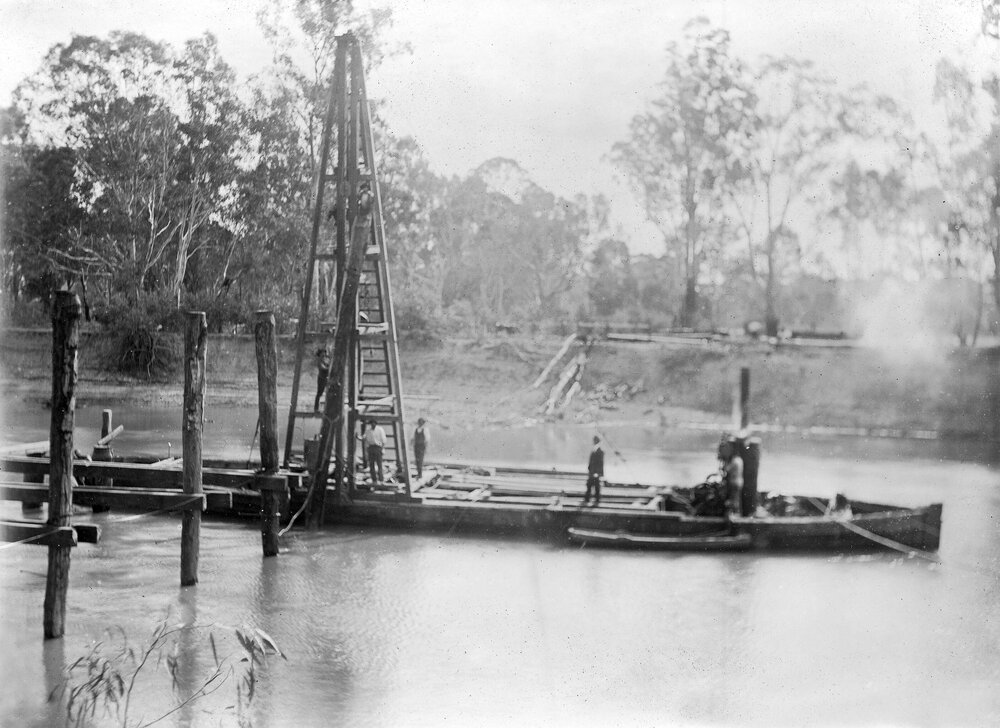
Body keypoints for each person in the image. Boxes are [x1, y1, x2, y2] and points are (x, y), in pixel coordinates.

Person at [719, 438, 744, 517]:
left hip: (734, 482)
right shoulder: (739, 459)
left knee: (733, 499)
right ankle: (737, 513)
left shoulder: (735, 461)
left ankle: (734, 514)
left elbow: (727, 469)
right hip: (739, 482)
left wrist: (725, 461)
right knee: (736, 498)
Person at [363, 418, 387, 484]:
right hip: (371, 448)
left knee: (379, 464)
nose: (372, 424)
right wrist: (358, 437)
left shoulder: (380, 429)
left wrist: (382, 448)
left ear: (376, 423)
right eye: (371, 423)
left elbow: (383, 440)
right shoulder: (368, 430)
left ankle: (381, 480)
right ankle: (374, 480)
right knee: (371, 465)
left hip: (378, 447)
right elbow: (364, 438)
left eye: (374, 423)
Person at [584, 435, 604, 506]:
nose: (593, 442)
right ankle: (588, 500)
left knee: (595, 486)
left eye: (595, 440)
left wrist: (598, 473)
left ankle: (596, 500)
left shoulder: (600, 450)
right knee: (590, 485)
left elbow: (600, 463)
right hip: (592, 472)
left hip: (595, 473)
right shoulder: (594, 449)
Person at [314, 346, 331, 412]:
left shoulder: (322, 360)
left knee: (328, 392)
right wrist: (329, 367)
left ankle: (326, 408)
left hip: (325, 379)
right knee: (319, 393)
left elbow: (327, 365)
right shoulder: (319, 361)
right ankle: (316, 408)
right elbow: (323, 368)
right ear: (320, 354)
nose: (324, 355)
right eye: (323, 354)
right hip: (321, 379)